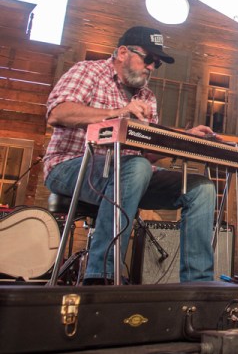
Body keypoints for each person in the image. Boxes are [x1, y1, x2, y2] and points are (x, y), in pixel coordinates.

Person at [44, 26, 217, 284]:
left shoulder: (147, 97)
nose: (151, 67)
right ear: (123, 52)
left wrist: (185, 138)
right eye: (148, 59)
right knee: (135, 167)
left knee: (201, 188)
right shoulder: (88, 71)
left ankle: (197, 284)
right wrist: (119, 113)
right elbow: (58, 113)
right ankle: (101, 276)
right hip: (70, 166)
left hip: (132, 172)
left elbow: (146, 154)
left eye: (156, 64)